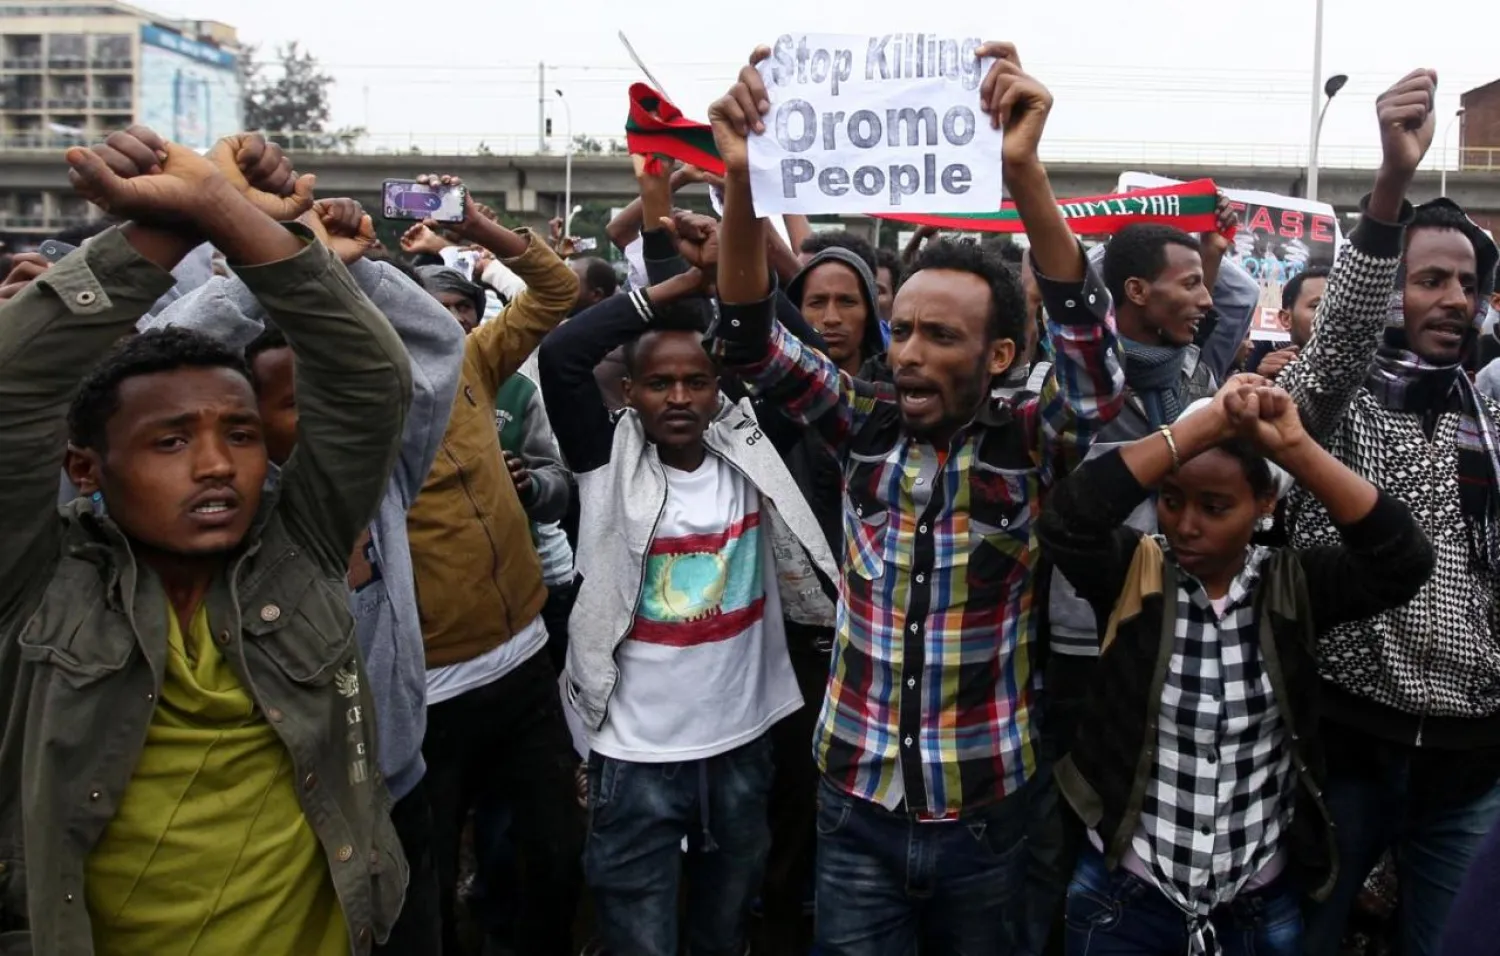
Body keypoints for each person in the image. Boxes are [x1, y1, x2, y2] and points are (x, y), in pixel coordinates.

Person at [708, 43, 1125, 955]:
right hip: (853, 800)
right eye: (899, 331)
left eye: (940, 337)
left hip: (985, 810)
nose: (905, 354)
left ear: (1000, 359)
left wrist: (1024, 173)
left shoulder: (1029, 443)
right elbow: (746, 341)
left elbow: (1095, 375)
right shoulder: (862, 422)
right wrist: (741, 178)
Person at [0, 127, 410, 954]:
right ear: (85, 467)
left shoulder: (302, 541)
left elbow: (370, 379)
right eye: (170, 441)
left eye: (242, 433)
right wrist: (169, 227)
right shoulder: (36, 579)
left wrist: (216, 206)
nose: (217, 466)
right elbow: (13, 385)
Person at [142, 196, 466, 954]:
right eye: (296, 402)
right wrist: (274, 265)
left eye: (344, 396)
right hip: (264, 823)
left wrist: (346, 264)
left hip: (396, 790)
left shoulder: (384, 481)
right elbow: (152, 357)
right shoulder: (199, 522)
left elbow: (435, 347)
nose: (334, 418)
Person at [1038, 378, 1433, 956]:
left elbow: (1403, 559)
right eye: (1171, 500)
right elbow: (1067, 520)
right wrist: (1201, 427)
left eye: (1215, 507)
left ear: (1265, 504)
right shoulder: (1134, 571)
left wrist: (1293, 446)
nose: (1187, 525)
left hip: (1255, 907)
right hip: (1125, 898)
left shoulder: (1295, 584)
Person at [538, 260, 837, 956]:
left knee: (723, 931)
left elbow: (812, 366)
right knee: (639, 938)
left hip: (741, 749)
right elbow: (561, 352)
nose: (679, 397)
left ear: (720, 390)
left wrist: (738, 277)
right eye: (660, 383)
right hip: (633, 757)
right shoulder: (603, 461)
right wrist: (674, 291)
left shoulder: (754, 448)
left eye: (696, 381)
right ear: (630, 392)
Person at [1277, 70, 1500, 956]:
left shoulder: (1491, 416)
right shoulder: (1336, 406)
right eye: (1430, 279)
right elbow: (1334, 344)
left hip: (1469, 762)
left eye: (1469, 282)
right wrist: (1390, 188)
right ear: (1390, 296)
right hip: (1348, 747)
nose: (1453, 297)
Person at [401, 174, 584, 956]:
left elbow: (556, 287)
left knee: (555, 856)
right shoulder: (353, 405)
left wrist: (477, 224)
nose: (443, 333)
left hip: (526, 662)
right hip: (426, 691)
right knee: (426, 880)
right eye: (422, 321)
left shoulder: (477, 364)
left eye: (456, 318)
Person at [1253, 266, 1330, 380]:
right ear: (1286, 319)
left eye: (1339, 307)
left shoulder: (1363, 373)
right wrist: (1263, 383)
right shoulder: (1264, 370)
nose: (1331, 315)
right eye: (1317, 306)